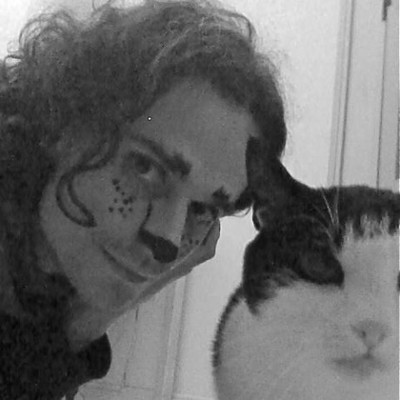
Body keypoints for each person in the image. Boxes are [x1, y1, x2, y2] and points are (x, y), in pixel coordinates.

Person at [0, 0, 287, 398]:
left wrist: (86, 323)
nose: (168, 240)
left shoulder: (47, 290)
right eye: (146, 168)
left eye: (203, 209)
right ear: (64, 119)